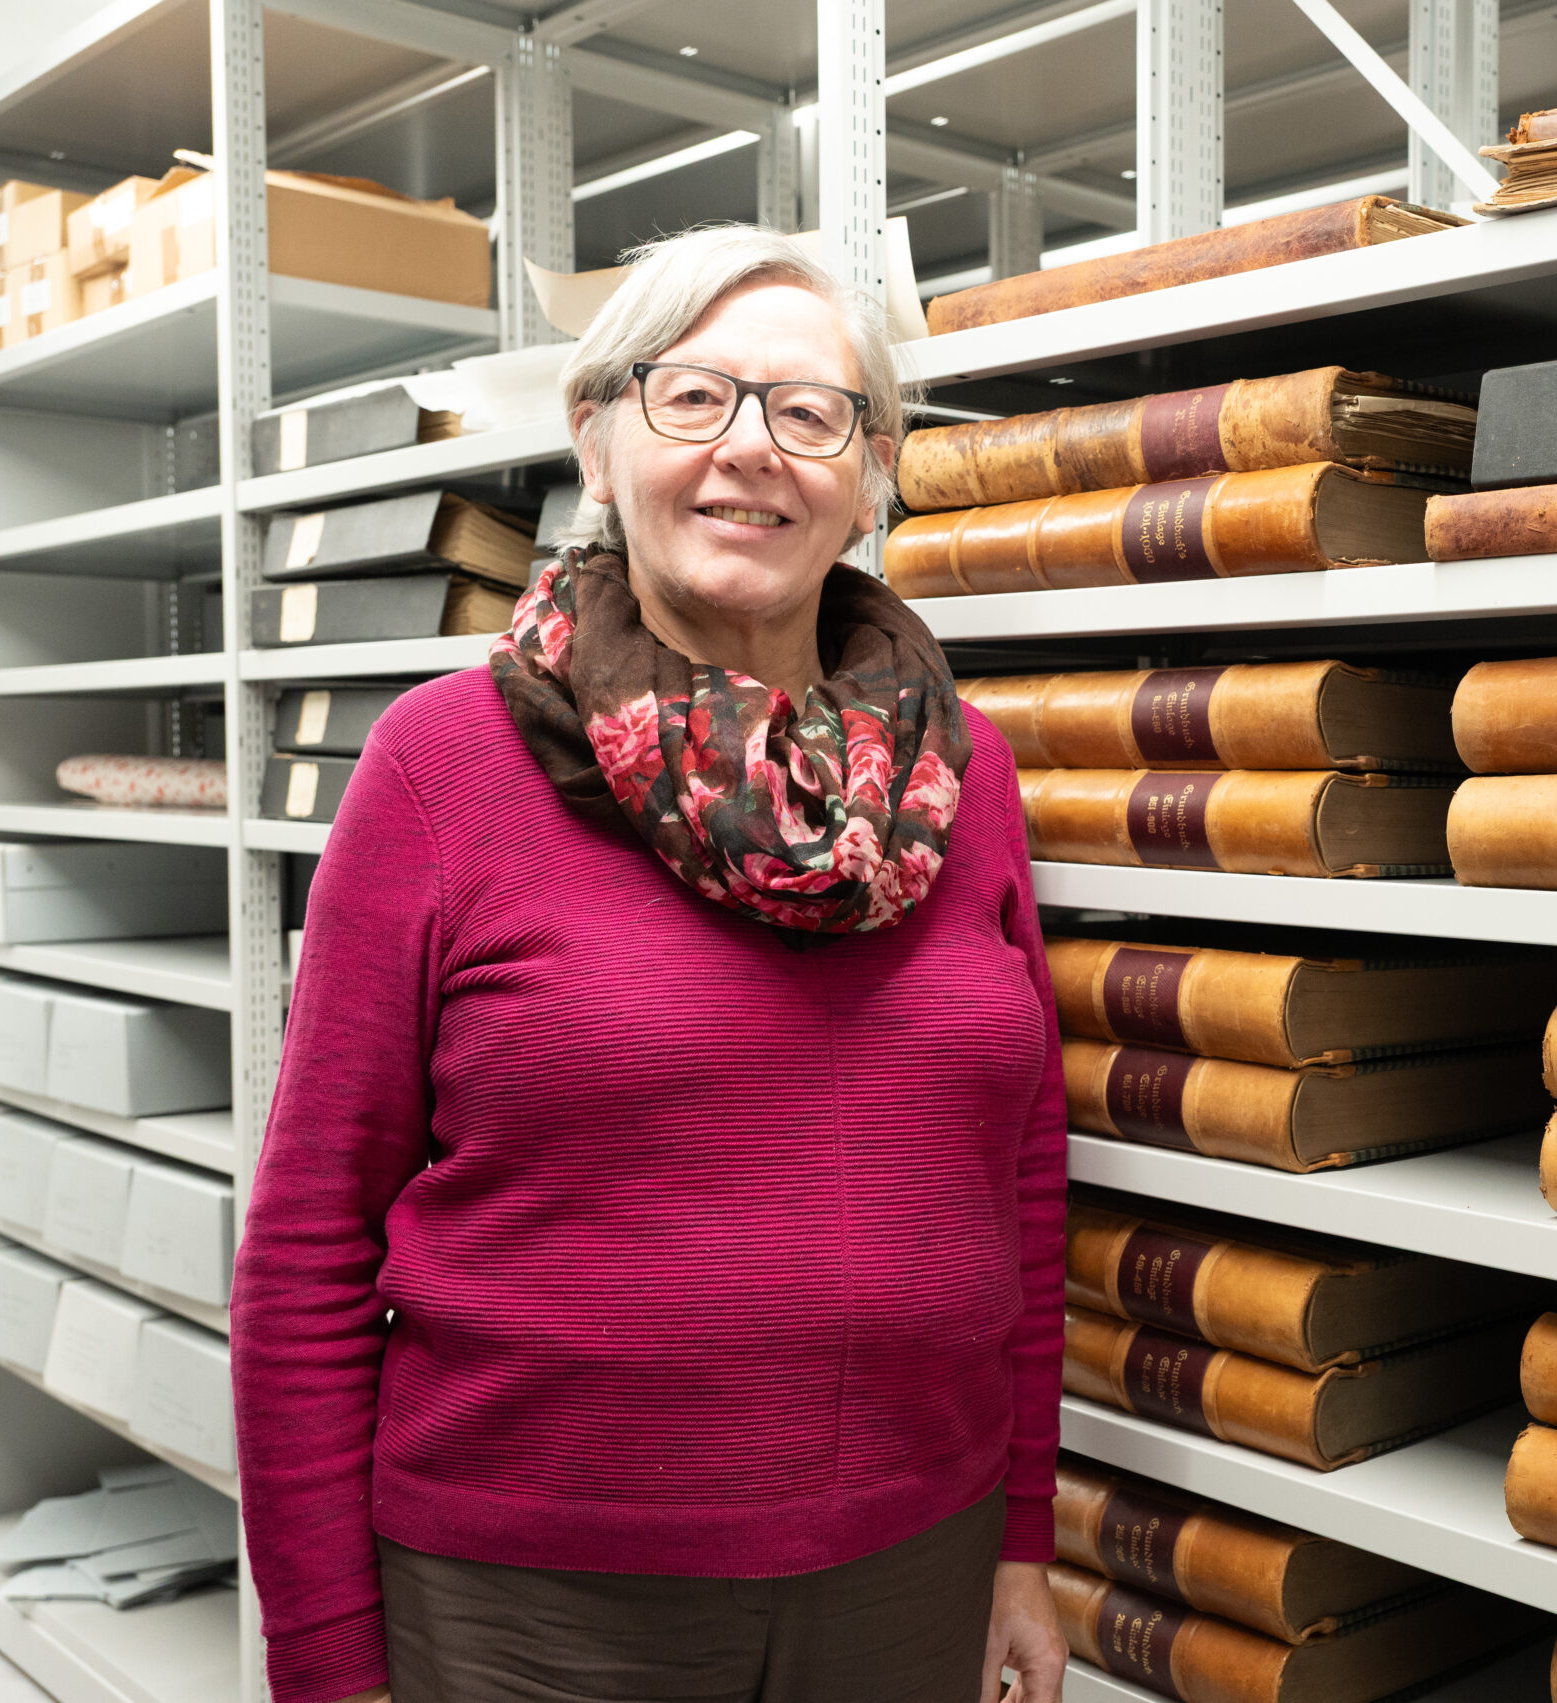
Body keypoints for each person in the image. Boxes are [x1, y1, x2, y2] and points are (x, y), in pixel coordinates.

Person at [231, 225, 1068, 1703]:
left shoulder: (959, 777)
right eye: (694, 397)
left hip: (908, 1571)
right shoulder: (443, 766)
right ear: (598, 436)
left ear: (872, 473)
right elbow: (307, 1249)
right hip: (532, 1608)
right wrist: (325, 1655)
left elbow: (1020, 1189)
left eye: (813, 414)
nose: (754, 451)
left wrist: (1018, 1543)